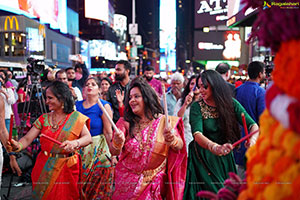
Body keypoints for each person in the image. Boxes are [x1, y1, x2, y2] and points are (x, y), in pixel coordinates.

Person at [6, 81, 92, 200]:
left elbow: (88, 138)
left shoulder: (76, 117)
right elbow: (27, 139)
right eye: (46, 98)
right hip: (44, 167)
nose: (46, 102)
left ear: (62, 98)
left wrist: (74, 143)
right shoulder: (44, 119)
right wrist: (18, 145)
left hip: (67, 168)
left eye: (50, 98)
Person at [183, 70, 259, 199]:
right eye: (199, 86)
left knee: (226, 193)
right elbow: (197, 134)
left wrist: (252, 141)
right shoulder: (197, 107)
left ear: (214, 85)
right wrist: (215, 147)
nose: (200, 90)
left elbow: (253, 125)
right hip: (203, 156)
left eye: (204, 86)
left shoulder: (230, 104)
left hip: (225, 156)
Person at [110, 77, 187, 200]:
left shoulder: (164, 122)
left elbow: (180, 145)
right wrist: (117, 143)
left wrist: (172, 140)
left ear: (147, 98)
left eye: (136, 96)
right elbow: (114, 152)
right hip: (126, 185)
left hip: (153, 185)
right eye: (130, 98)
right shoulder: (124, 122)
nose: (132, 101)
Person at [76, 77, 115, 199]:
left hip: (99, 150)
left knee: (98, 189)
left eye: (93, 84)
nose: (90, 86)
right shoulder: (76, 106)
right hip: (80, 148)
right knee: (79, 186)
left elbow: (108, 132)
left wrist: (113, 154)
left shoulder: (104, 106)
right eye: (87, 84)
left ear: (99, 89)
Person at [234, 61, 266, 179]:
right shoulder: (261, 92)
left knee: (240, 177)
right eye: (263, 72)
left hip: (239, 138)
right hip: (254, 140)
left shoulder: (238, 90)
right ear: (259, 74)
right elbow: (263, 119)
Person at [174, 75, 201, 153]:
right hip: (185, 138)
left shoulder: (205, 102)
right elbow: (177, 119)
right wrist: (185, 104)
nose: (195, 86)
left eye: (198, 84)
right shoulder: (181, 101)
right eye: (192, 83)